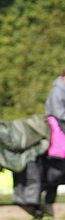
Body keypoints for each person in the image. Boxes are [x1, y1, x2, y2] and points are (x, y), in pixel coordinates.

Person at [43, 67, 65, 212]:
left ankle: (49, 203)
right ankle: (48, 203)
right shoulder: (58, 90)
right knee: (55, 171)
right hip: (59, 132)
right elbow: (59, 113)